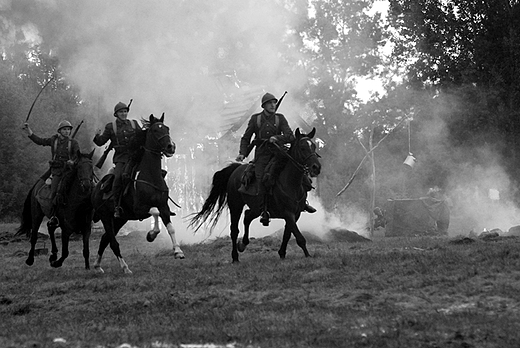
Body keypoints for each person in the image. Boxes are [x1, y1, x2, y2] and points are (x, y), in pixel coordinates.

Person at [236, 92, 316, 225]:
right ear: (264, 105)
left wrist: (276, 138)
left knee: (300, 174)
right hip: (262, 155)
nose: (273, 105)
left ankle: (303, 203)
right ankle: (264, 211)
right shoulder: (255, 119)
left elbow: (290, 136)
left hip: (279, 153)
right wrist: (242, 153)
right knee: (262, 179)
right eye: (270, 103)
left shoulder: (280, 118)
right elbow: (246, 137)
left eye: (274, 103)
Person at [23, 120, 80, 228]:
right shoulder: (54, 140)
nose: (67, 131)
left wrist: (72, 161)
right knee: (54, 192)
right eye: (64, 129)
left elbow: (78, 156)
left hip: (69, 171)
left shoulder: (74, 143)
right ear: (59, 131)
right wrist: (29, 131)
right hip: (57, 171)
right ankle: (54, 216)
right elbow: (40, 141)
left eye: (68, 129)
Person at [93, 101, 142, 218]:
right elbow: (100, 142)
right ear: (116, 114)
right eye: (121, 112)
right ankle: (117, 206)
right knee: (118, 178)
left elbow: (142, 138)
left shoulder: (134, 124)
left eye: (125, 111)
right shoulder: (111, 127)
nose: (124, 114)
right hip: (121, 159)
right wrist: (96, 136)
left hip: (135, 158)